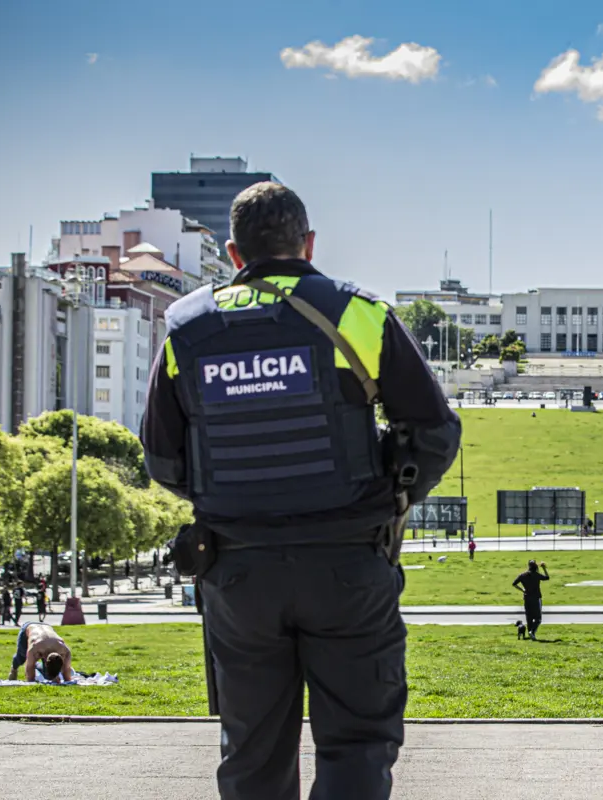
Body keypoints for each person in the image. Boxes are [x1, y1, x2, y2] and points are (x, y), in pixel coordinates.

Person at [140, 181, 461, 799]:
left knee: (252, 754)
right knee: (358, 746)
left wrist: (233, 494)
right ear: (308, 243)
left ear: (234, 254)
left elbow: (163, 458)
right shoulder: (357, 314)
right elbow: (435, 433)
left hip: (236, 573)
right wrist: (391, 493)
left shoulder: (186, 328)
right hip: (348, 562)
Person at [8, 621, 74, 683]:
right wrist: (31, 683)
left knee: (48, 676)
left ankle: (44, 670)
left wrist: (64, 681)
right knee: (22, 657)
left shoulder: (65, 651)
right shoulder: (34, 647)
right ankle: (14, 669)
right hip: (28, 628)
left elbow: (67, 670)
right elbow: (30, 671)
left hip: (47, 628)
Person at [512, 560, 550, 640]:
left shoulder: (522, 575)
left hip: (527, 598)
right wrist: (544, 568)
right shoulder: (537, 575)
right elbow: (547, 577)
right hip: (536, 598)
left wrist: (522, 589)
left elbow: (514, 584)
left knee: (529, 617)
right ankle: (532, 632)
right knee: (538, 618)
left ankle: (530, 634)